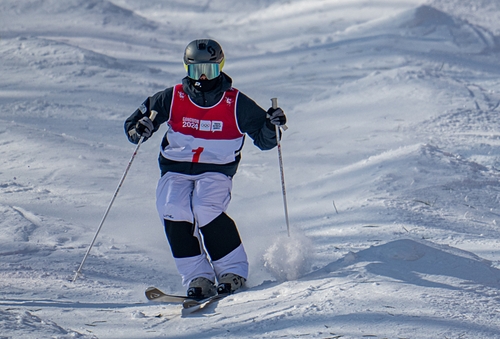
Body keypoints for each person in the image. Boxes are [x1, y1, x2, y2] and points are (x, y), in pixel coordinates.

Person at [124, 39, 286, 299]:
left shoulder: (235, 103)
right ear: (186, 68)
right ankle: (197, 275)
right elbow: (134, 124)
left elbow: (266, 139)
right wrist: (141, 129)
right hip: (175, 168)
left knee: (205, 206)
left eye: (209, 71)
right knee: (172, 207)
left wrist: (271, 124)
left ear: (220, 67)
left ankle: (232, 271)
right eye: (195, 70)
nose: (201, 78)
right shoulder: (173, 97)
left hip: (216, 169)